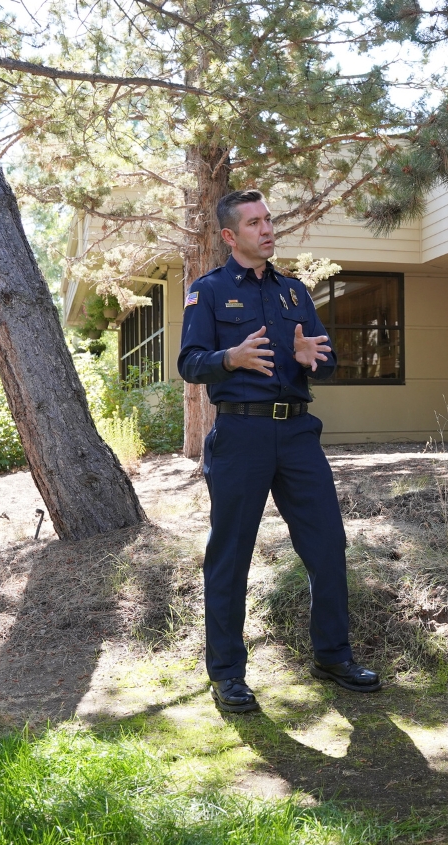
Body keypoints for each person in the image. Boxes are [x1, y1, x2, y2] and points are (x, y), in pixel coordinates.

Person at [178, 188, 380, 715]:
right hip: (241, 437)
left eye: (269, 220)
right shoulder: (210, 291)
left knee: (327, 545)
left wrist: (314, 357)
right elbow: (190, 363)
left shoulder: (295, 295)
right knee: (231, 556)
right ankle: (227, 674)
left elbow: (327, 361)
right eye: (254, 223)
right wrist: (232, 357)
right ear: (230, 236)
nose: (267, 230)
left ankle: (332, 656)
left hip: (296, 435)